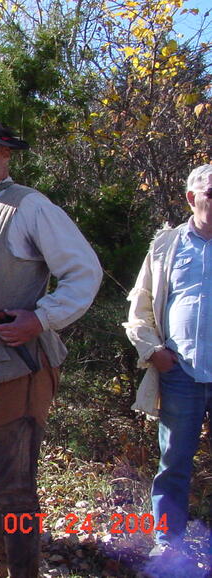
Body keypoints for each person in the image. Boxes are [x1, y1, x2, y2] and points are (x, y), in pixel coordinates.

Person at [0, 114, 102, 577]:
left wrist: (42, 318)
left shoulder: (30, 206)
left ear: (5, 155)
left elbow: (83, 271)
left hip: (15, 367)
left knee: (14, 490)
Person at [124, 164, 212, 562]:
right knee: (174, 462)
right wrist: (153, 351)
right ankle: (168, 545)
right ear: (192, 199)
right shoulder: (166, 246)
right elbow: (138, 307)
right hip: (182, 375)